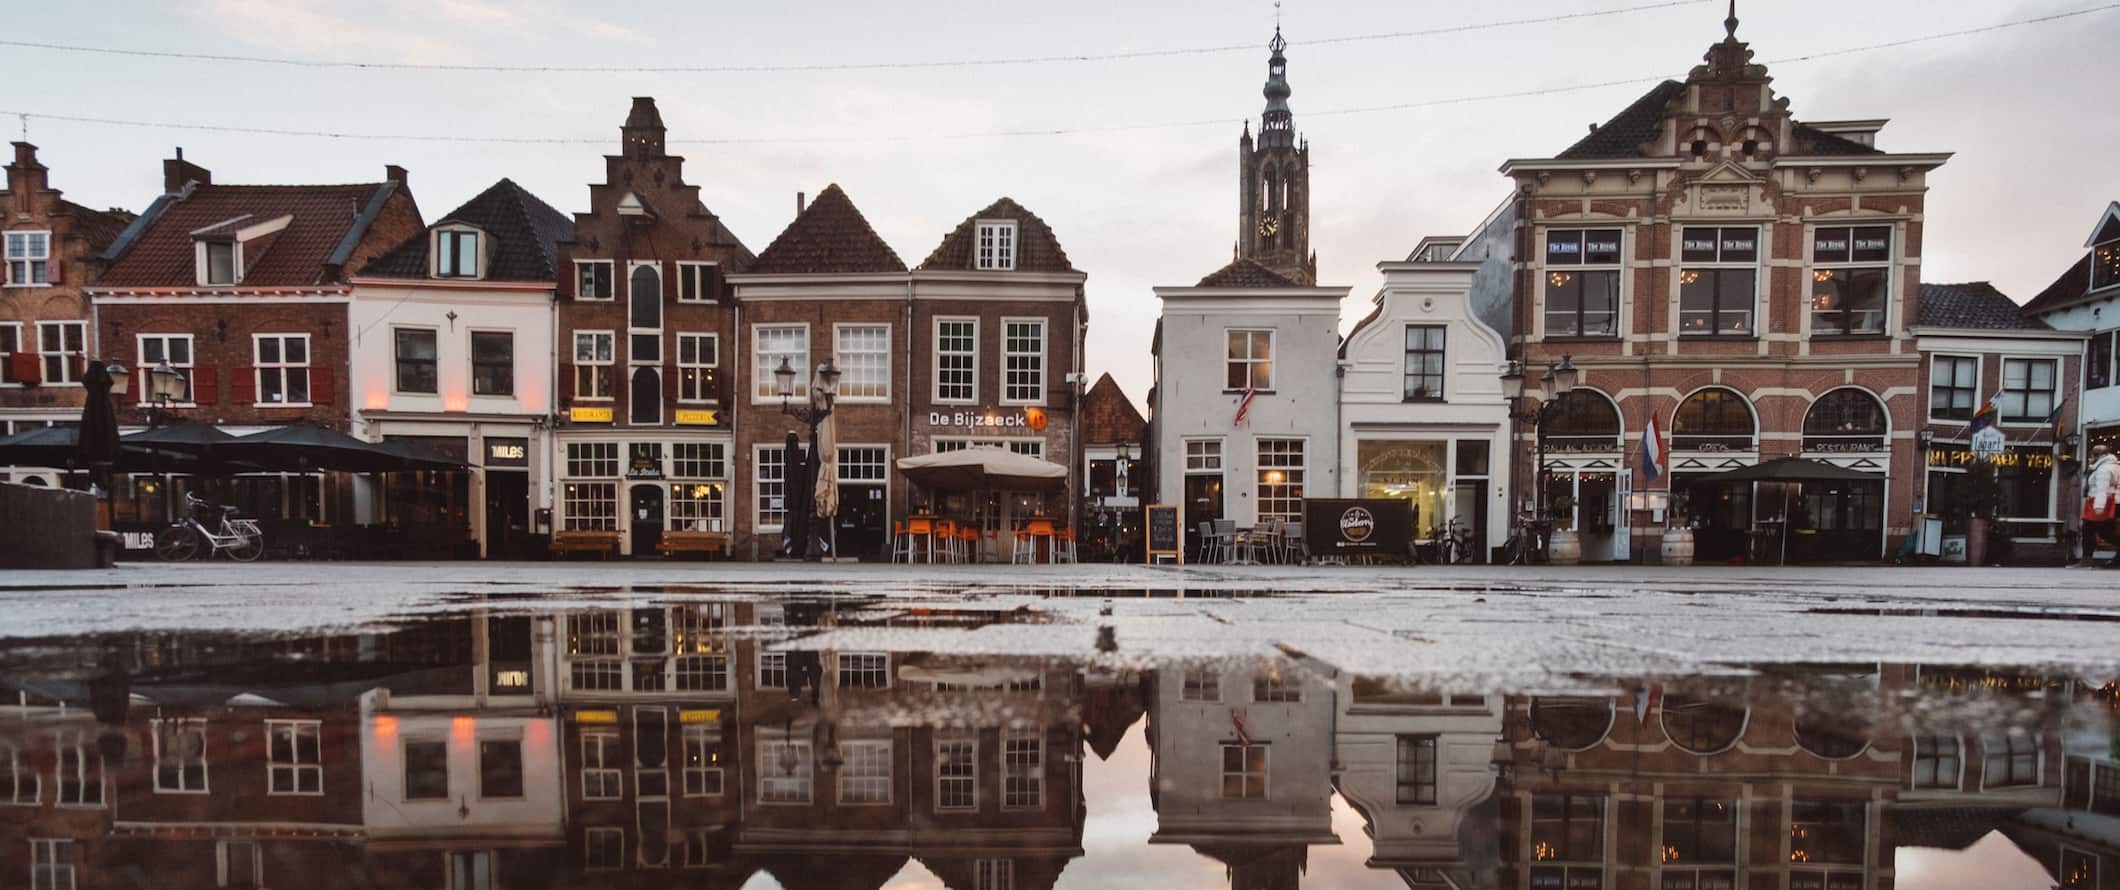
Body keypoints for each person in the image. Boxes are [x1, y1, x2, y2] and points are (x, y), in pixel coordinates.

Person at [2079, 444, 2120, 567]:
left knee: (2090, 529)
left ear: (2098, 456)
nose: (2091, 458)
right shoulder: (2115, 467)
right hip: (2112, 502)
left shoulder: (2103, 470)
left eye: (2093, 455)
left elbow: (2102, 488)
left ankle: (2086, 559)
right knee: (2108, 530)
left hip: (2100, 502)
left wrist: (2099, 507)